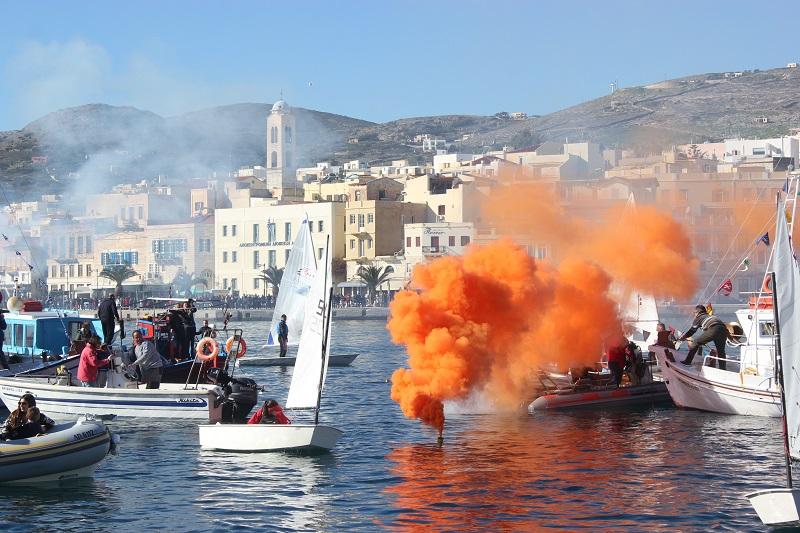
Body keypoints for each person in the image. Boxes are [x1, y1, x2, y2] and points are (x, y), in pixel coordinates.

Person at [679, 305, 729, 369]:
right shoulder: (710, 316)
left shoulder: (699, 317)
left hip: (714, 328)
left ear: (698, 312)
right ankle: (723, 368)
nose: (694, 315)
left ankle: (687, 362)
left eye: (694, 313)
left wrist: (684, 337)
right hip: (724, 329)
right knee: (721, 351)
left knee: (695, 342)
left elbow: (692, 331)